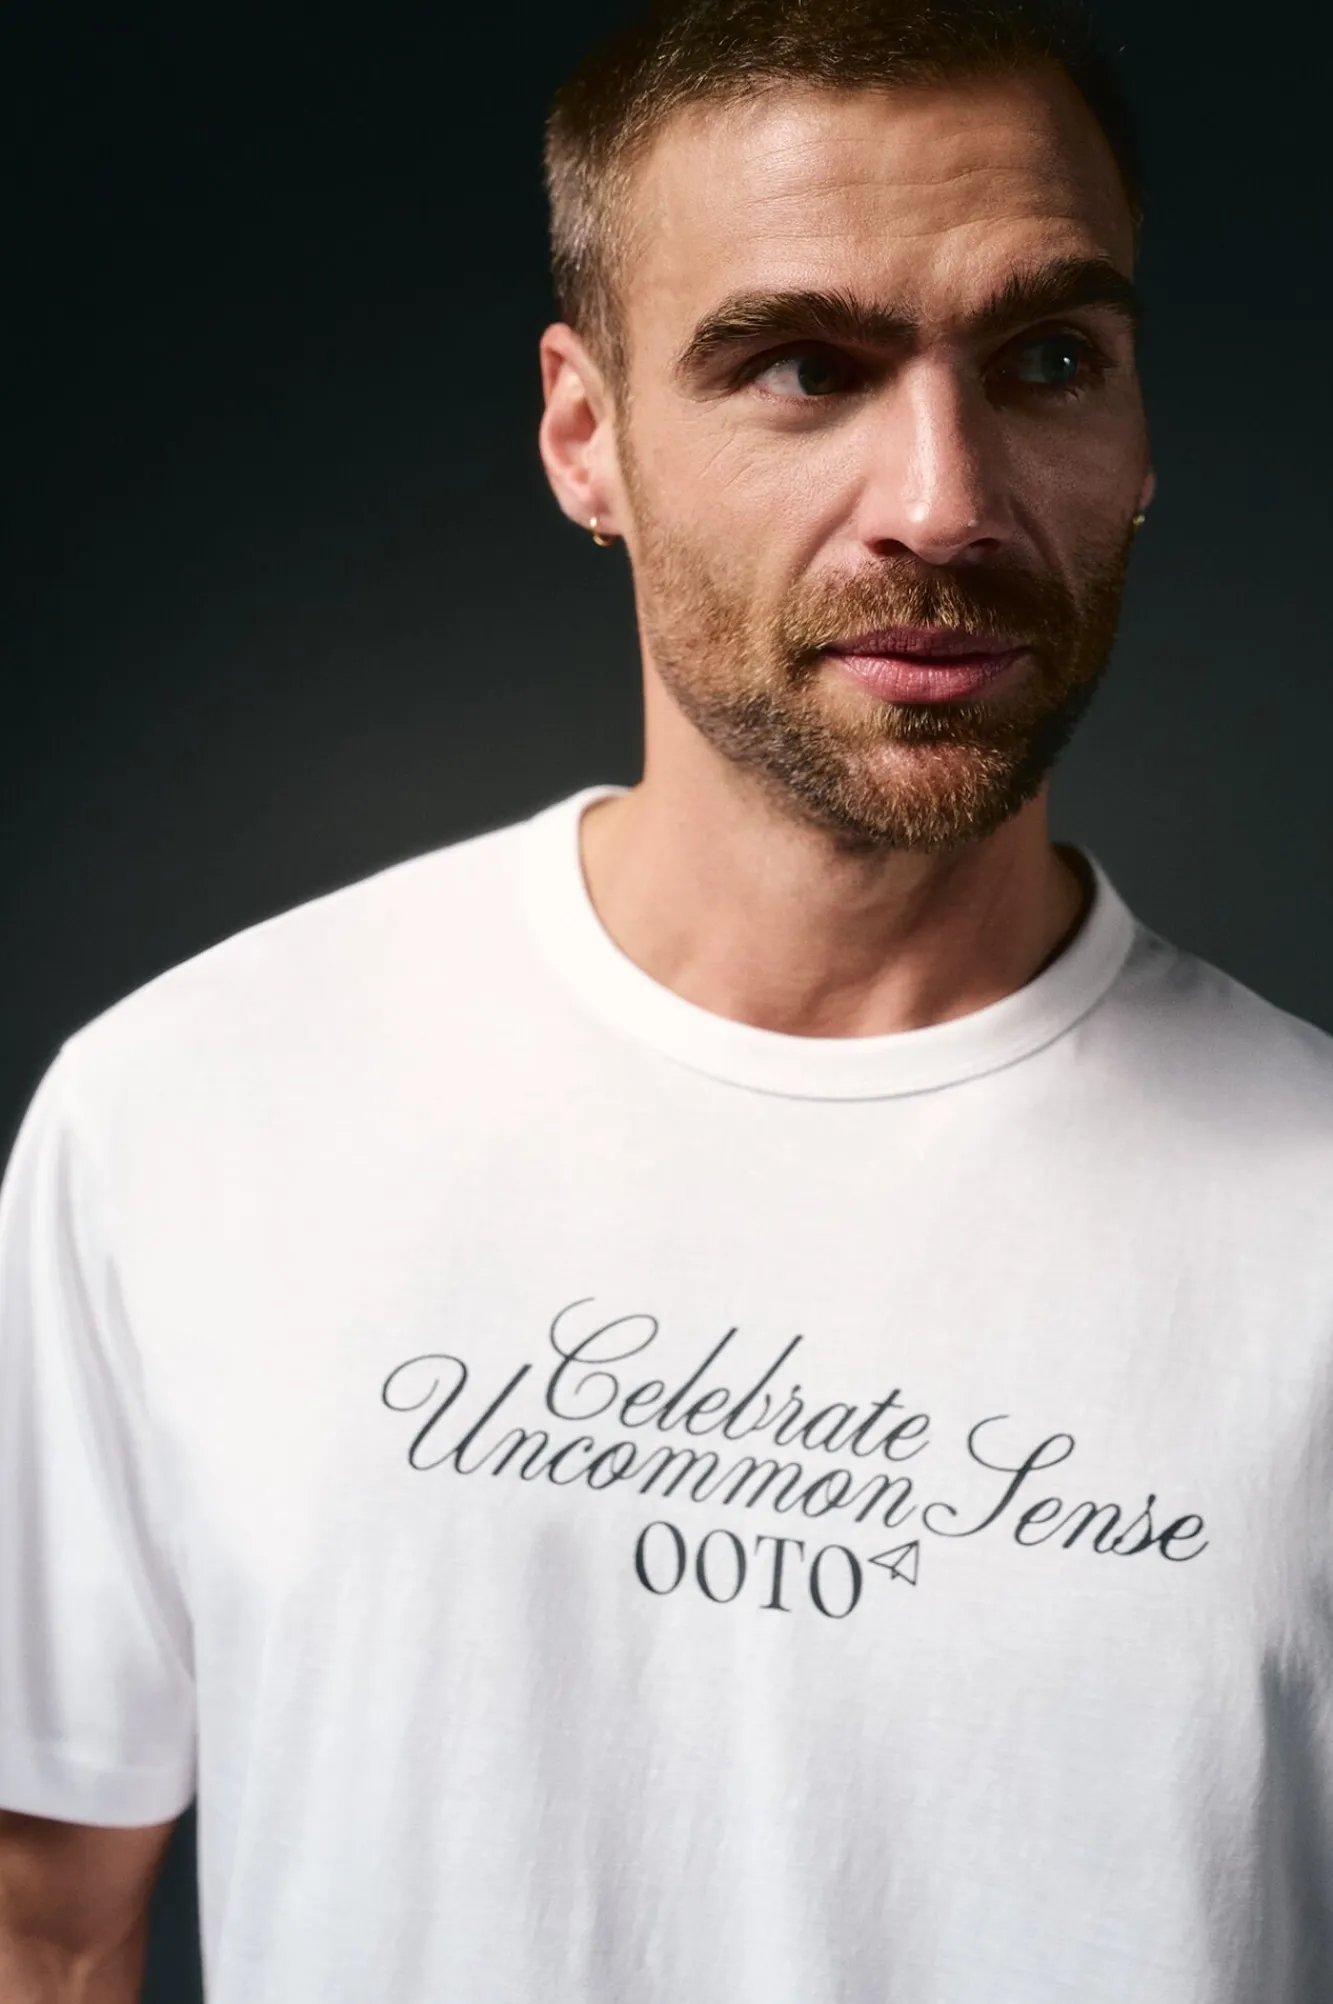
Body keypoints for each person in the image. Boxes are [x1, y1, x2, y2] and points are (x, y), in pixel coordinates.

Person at [2, 0, 1331, 1997]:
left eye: (1050, 360)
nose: (944, 500)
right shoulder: (185, 1116)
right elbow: (45, 1922)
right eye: (805, 368)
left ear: (1139, 431)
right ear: (586, 436)